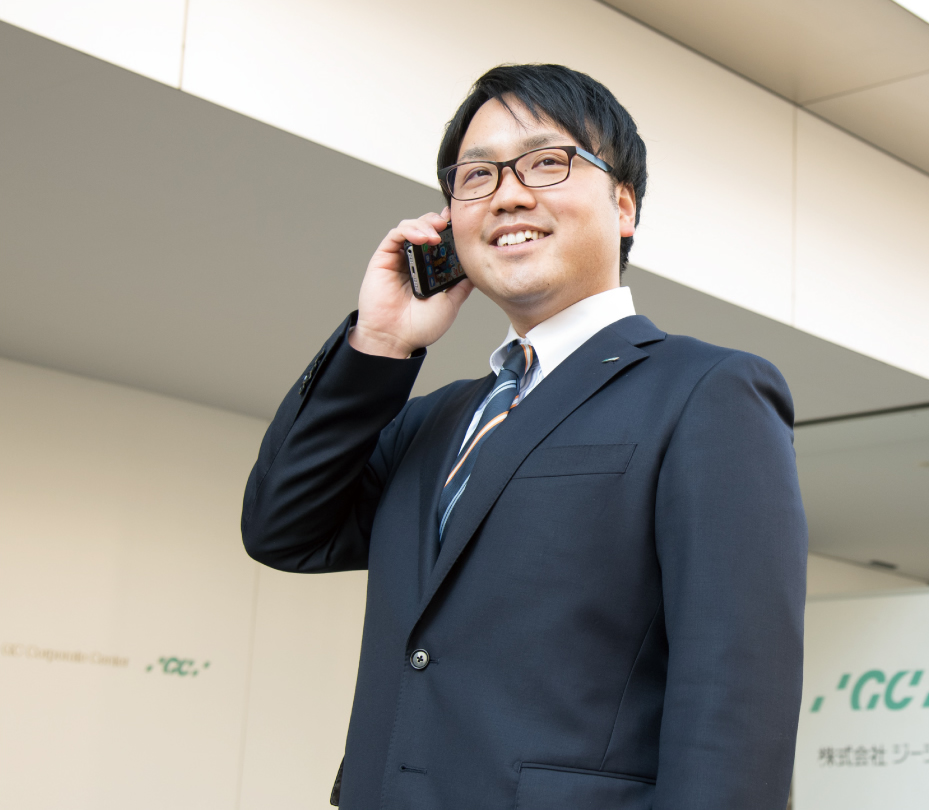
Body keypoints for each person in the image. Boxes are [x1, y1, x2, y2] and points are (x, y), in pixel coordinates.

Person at [240, 64, 807, 810]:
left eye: (546, 162)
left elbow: (736, 698)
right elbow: (284, 529)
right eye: (476, 176)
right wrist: (379, 343)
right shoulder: (435, 421)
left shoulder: (708, 392)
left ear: (624, 205)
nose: (507, 194)